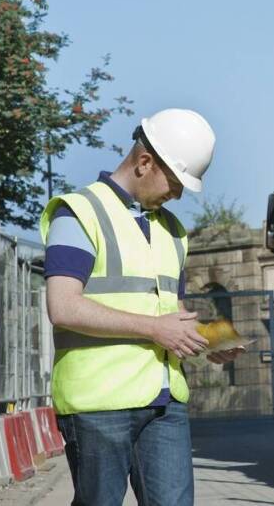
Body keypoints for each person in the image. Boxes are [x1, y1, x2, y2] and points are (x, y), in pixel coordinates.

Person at [40, 108, 242, 506]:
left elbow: (170, 311)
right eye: (176, 181)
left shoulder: (172, 230)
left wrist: (212, 341)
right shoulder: (79, 213)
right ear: (144, 162)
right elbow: (63, 307)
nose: (179, 194)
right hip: (98, 405)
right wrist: (154, 329)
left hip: (164, 405)